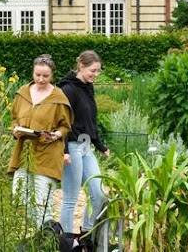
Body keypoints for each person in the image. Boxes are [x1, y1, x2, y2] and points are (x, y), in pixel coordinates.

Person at [8, 55, 73, 229]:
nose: (41, 79)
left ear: (52, 75)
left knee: (42, 204)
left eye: (45, 76)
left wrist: (55, 135)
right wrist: (16, 129)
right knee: (20, 197)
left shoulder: (58, 98)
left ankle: (46, 240)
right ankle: (35, 238)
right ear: (33, 72)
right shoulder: (22, 93)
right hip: (24, 153)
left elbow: (65, 126)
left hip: (47, 154)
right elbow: (14, 118)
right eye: (37, 75)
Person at [58, 50, 110, 250]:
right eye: (92, 70)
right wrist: (64, 151)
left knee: (99, 195)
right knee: (71, 197)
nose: (95, 75)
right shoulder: (67, 89)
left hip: (87, 147)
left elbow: (91, 120)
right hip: (71, 147)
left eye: (97, 71)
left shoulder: (89, 87)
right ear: (81, 65)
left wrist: (100, 146)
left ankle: (86, 234)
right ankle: (66, 242)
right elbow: (61, 121)